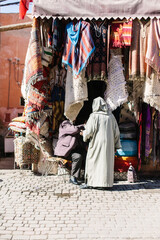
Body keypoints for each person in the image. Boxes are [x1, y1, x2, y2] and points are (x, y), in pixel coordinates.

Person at [80, 97, 121, 189]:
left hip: (96, 143)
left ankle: (91, 183)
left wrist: (84, 134)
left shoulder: (94, 116)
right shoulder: (111, 116)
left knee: (92, 161)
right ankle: (105, 184)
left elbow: (89, 131)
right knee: (105, 163)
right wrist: (116, 145)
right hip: (109, 144)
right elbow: (116, 132)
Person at [54, 119, 85, 185]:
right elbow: (74, 130)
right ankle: (73, 177)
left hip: (71, 151)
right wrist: (83, 126)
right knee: (77, 157)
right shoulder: (65, 123)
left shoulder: (74, 126)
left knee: (85, 154)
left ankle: (84, 175)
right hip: (64, 152)